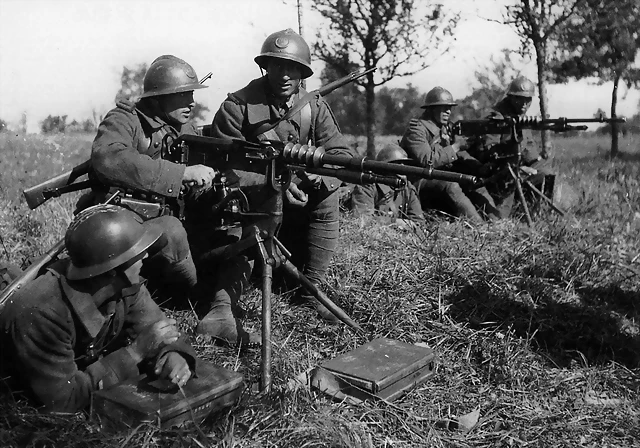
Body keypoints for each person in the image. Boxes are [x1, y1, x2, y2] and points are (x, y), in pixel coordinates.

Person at [209, 28, 358, 323]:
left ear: (303, 72)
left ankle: (311, 291)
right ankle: (222, 306)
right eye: (277, 66)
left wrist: (317, 175)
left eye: (292, 68)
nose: (284, 75)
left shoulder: (313, 106)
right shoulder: (236, 107)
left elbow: (340, 154)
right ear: (266, 67)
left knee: (329, 193)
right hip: (251, 204)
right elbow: (222, 166)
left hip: (297, 205)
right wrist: (274, 183)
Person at [0, 205, 196, 413]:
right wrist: (135, 352)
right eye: (136, 252)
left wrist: (173, 356)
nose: (145, 256)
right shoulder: (43, 313)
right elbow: (64, 401)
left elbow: (158, 328)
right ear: (112, 271)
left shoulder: (125, 285)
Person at [89, 54, 217, 293]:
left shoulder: (185, 128)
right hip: (121, 224)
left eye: (191, 94)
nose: (191, 102)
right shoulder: (125, 119)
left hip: (166, 224)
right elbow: (109, 158)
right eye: (182, 95)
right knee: (174, 240)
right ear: (158, 98)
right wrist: (180, 174)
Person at [400, 87, 502, 223]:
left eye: (449, 107)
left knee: (475, 181)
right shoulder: (417, 130)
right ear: (430, 109)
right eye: (442, 108)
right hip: (417, 181)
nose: (448, 111)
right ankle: (479, 227)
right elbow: (428, 160)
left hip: (439, 176)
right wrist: (456, 146)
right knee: (450, 185)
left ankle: (498, 223)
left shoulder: (445, 128)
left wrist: (478, 167)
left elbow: (459, 154)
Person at [471, 76, 557, 217]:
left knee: (545, 171)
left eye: (528, 100)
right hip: (498, 172)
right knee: (500, 219)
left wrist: (534, 163)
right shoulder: (496, 118)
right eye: (519, 99)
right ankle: (516, 213)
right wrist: (518, 166)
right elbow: (488, 152)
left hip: (517, 169)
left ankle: (539, 212)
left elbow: (530, 150)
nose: (524, 104)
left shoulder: (520, 117)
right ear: (510, 97)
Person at [349, 144, 425, 225]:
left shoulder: (408, 189)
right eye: (397, 163)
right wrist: (395, 222)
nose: (403, 167)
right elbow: (362, 220)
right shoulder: (368, 187)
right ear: (384, 168)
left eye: (404, 164)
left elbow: (419, 222)